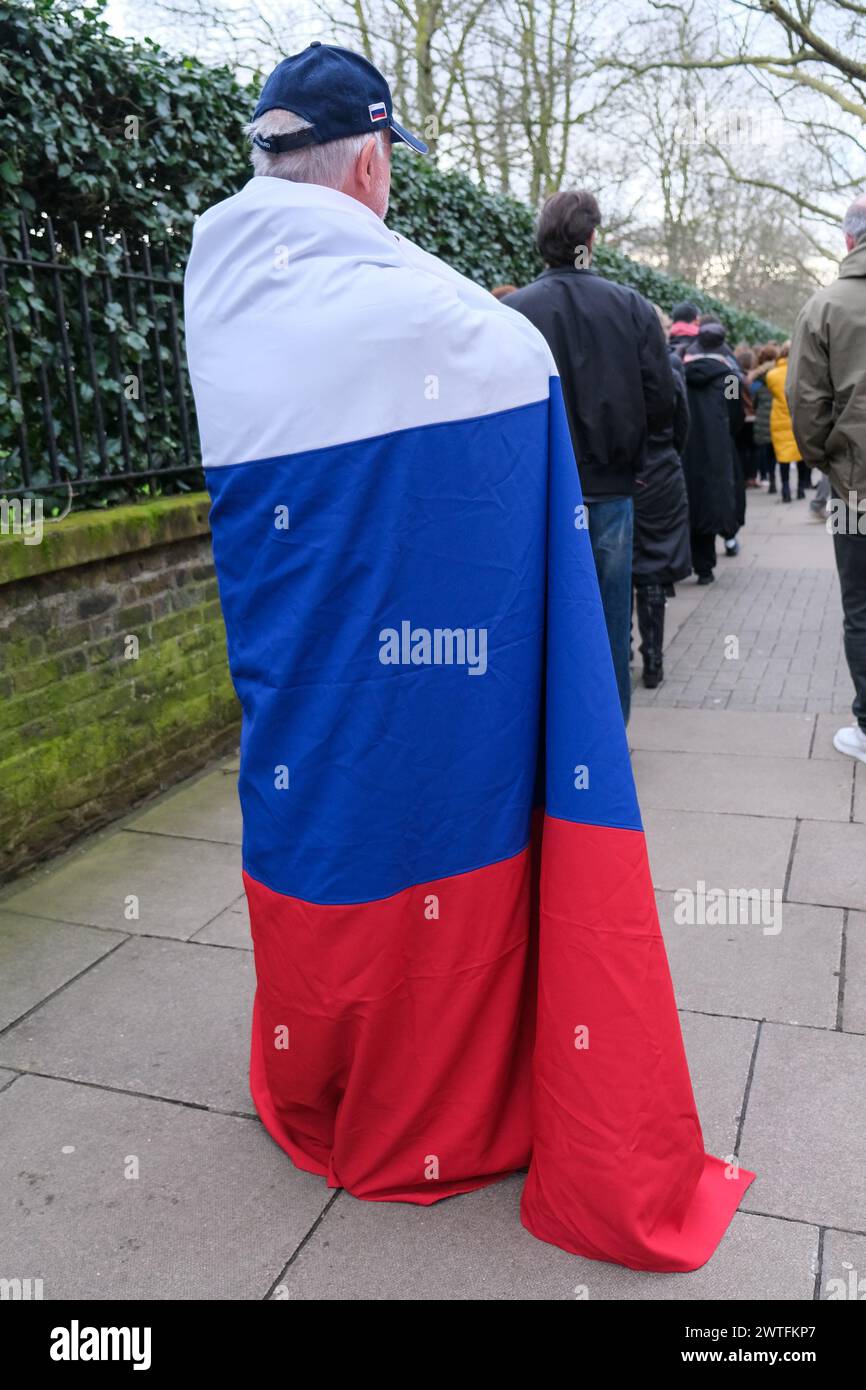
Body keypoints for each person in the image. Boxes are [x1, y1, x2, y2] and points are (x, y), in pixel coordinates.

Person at [184, 43, 752, 1271]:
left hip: (289, 667)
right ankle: (420, 1078)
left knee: (312, 803)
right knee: (416, 802)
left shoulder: (216, 269)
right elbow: (498, 370)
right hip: (417, 671)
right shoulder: (424, 307)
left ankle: (314, 1054)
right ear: (374, 162)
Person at [505, 190, 676, 723]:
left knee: (538, 623)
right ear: (591, 239)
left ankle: (548, 744)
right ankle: (604, 747)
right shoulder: (630, 307)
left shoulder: (513, 312)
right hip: (608, 490)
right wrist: (641, 466)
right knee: (606, 621)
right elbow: (661, 399)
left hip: (540, 492)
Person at [787, 193, 866, 764]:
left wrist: (825, 462)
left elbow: (806, 401)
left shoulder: (825, 306)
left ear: (847, 240)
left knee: (861, 606)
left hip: (854, 489)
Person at [632, 306, 692, 687]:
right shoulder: (670, 369)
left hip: (623, 472)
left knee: (616, 566)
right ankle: (653, 656)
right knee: (654, 566)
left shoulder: (615, 369)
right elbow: (681, 425)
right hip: (662, 471)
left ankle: (618, 653)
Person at [681, 321, 743, 583]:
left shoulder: (681, 372)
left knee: (690, 497)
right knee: (713, 498)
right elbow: (735, 413)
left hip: (686, 445)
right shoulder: (729, 376)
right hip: (717, 446)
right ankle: (706, 567)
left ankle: (690, 560)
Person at [766, 343, 808, 501]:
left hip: (779, 417)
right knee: (801, 454)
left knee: (783, 455)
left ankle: (785, 488)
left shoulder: (772, 374)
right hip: (798, 415)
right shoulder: (800, 372)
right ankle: (801, 487)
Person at [749, 344, 778, 490]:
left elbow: (745, 397)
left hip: (759, 417)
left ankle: (763, 476)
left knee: (762, 449)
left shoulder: (754, 378)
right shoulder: (780, 374)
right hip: (778, 415)